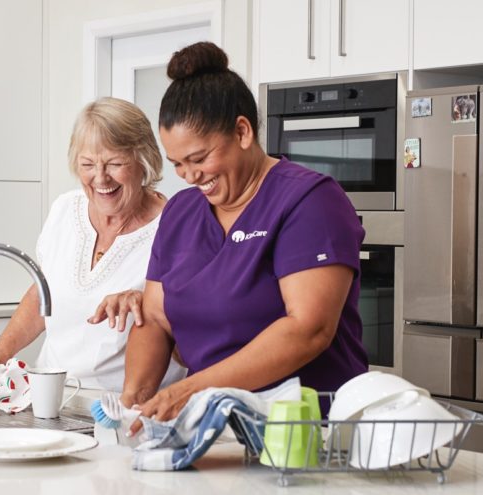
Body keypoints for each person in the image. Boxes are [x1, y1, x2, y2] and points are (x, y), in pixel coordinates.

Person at [121, 42, 367, 428]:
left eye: (200, 159)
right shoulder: (181, 212)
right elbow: (154, 317)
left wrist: (192, 390)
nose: (189, 176)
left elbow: (309, 328)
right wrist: (134, 401)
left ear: (242, 131)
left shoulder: (309, 200)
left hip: (307, 434)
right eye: (178, 165)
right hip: (213, 430)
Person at [0, 97, 184, 392]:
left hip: (124, 407)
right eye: (87, 164)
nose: (100, 178)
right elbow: (42, 295)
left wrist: (145, 302)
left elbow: (186, 330)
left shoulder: (176, 227)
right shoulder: (65, 210)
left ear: (143, 160)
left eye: (114, 163)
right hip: (51, 396)